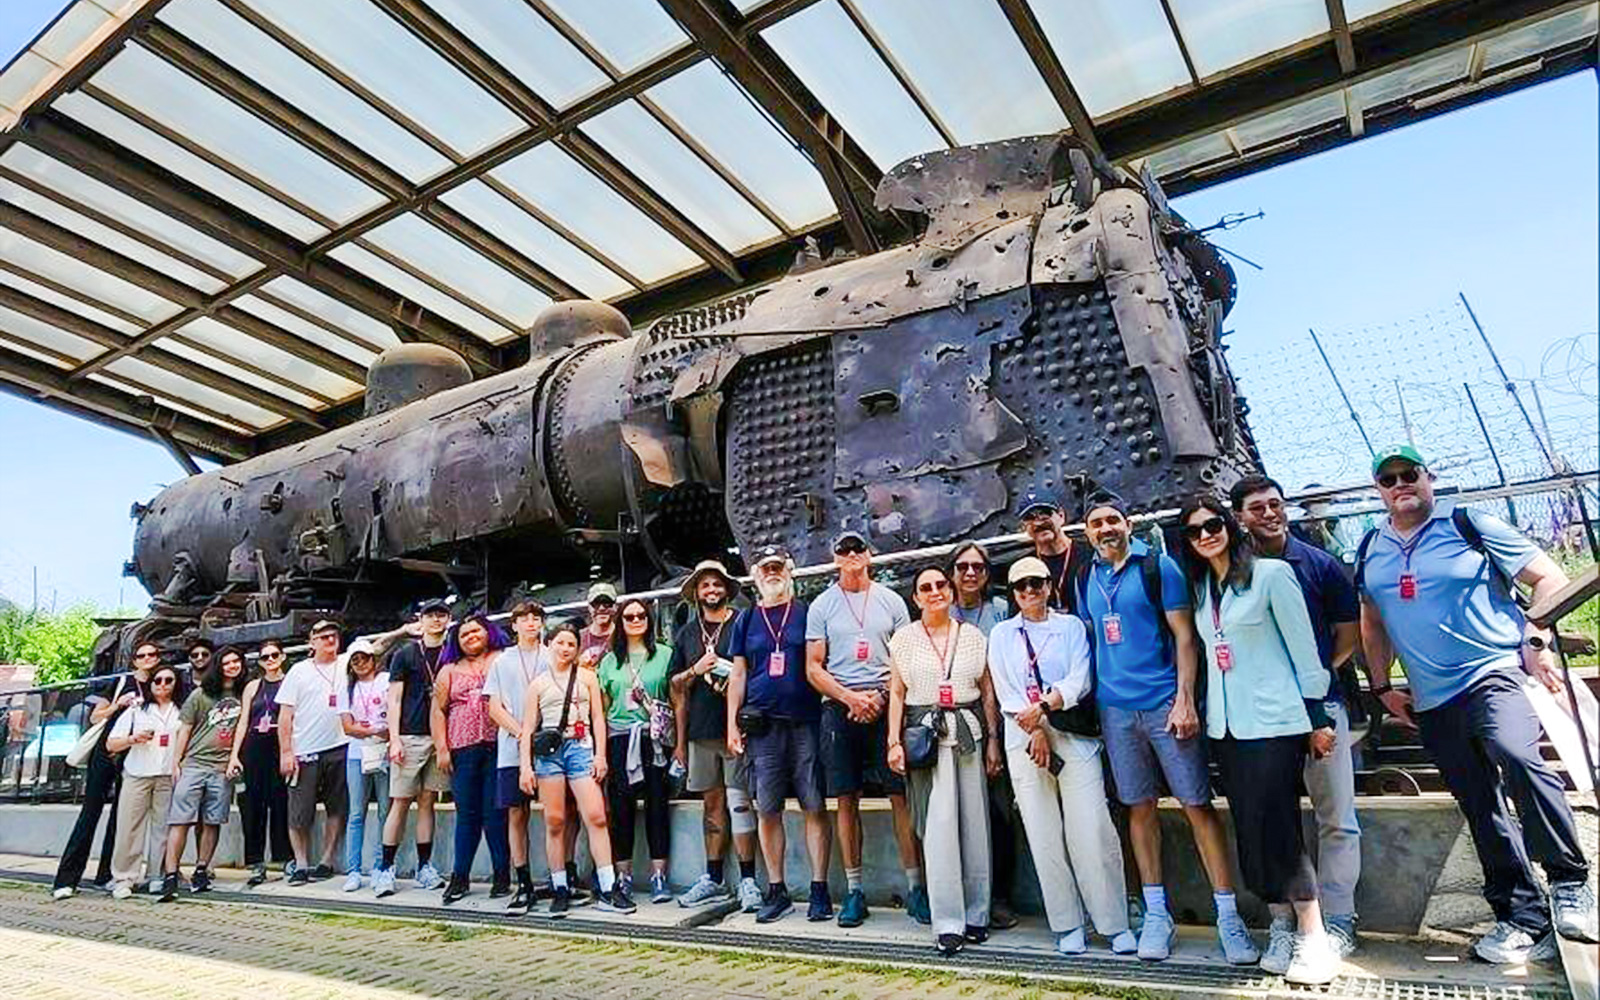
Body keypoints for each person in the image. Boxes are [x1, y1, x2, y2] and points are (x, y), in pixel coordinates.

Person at [1358, 444, 1596, 960]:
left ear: (1428, 477)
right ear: (1378, 490)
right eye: (1388, 479)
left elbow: (1549, 577)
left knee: (1516, 756)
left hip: (1493, 671)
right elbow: (1372, 621)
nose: (1400, 484)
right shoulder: (1371, 546)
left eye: (1409, 474)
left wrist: (1536, 638)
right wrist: (1381, 686)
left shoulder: (1468, 523)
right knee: (1479, 801)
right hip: (1431, 696)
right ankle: (1522, 918)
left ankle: (1569, 881)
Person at [1076, 492, 1257, 964]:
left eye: (1113, 519)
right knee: (1138, 808)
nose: (1106, 529)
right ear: (1087, 532)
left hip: (1163, 704)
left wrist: (1184, 699)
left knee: (1197, 805)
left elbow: (1185, 637)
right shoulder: (1085, 577)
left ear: (1128, 523)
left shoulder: (1159, 567)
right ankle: (1157, 912)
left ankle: (1228, 916)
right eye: (1096, 523)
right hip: (1116, 710)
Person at [1182, 498, 1338, 985]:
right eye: (1194, 531)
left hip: (1274, 721)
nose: (1206, 535)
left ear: (1229, 526)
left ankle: (1313, 933)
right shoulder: (1202, 590)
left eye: (1213, 524)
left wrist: (1316, 716)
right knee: (1249, 828)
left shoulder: (1272, 575)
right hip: (1227, 726)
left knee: (1280, 827)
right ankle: (1280, 924)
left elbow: (1304, 649)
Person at [1231, 475, 1363, 955]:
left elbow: (1348, 633)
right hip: (1264, 715)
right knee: (1272, 817)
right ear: (1240, 517)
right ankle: (1285, 920)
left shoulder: (1320, 565)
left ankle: (1340, 918)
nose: (1269, 514)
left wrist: (1314, 680)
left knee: (1336, 815)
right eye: (1257, 508)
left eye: (1274, 504)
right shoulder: (1233, 573)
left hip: (1319, 707)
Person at [988, 557, 1137, 958]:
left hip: (1071, 733)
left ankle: (1113, 922)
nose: (1029, 591)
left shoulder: (1071, 626)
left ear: (1049, 585)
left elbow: (1080, 678)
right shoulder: (1001, 634)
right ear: (1012, 593)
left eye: (1036, 583)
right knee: (1043, 832)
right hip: (1024, 737)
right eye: (1021, 586)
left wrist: (1045, 709)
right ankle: (1067, 922)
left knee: (1092, 828)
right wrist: (1035, 728)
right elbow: (1005, 689)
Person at [804, 529, 920, 927]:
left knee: (900, 795)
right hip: (840, 707)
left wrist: (883, 697)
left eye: (858, 548)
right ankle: (855, 891)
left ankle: (915, 886)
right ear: (835, 557)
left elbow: (905, 657)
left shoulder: (891, 601)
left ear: (869, 554)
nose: (852, 554)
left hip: (886, 703)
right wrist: (850, 698)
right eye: (844, 549)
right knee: (845, 798)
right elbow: (813, 666)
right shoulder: (821, 605)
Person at [885, 566, 1002, 956]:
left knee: (975, 826)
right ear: (916, 597)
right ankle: (949, 922)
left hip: (969, 733)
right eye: (926, 587)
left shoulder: (973, 637)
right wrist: (893, 742)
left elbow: (987, 691)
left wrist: (993, 741)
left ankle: (977, 915)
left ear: (951, 593)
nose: (934, 591)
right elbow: (897, 693)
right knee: (938, 831)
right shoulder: (903, 639)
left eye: (940, 585)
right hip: (926, 738)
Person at [727, 546, 832, 923]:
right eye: (765, 568)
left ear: (789, 572)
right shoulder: (746, 619)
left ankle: (819, 889)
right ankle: (777, 889)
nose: (772, 573)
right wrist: (731, 724)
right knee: (768, 809)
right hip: (762, 727)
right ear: (756, 575)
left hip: (805, 721)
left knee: (814, 805)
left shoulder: (807, 613)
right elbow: (738, 673)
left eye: (778, 567)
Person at [519, 622, 632, 916]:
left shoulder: (587, 677)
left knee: (596, 816)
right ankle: (559, 887)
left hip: (581, 748)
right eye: (560, 642)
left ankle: (608, 886)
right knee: (555, 820)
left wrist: (600, 755)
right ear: (549, 644)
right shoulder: (538, 684)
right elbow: (528, 727)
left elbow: (598, 718)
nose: (565, 648)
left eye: (571, 643)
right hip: (550, 754)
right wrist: (525, 767)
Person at [669, 560, 762, 912]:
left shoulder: (742, 623)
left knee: (740, 804)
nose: (711, 590)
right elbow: (675, 687)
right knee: (711, 805)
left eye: (717, 584)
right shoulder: (686, 634)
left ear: (727, 589)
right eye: (705, 585)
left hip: (737, 730)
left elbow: (756, 671)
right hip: (701, 730)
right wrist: (695, 670)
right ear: (696, 592)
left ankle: (749, 880)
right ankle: (714, 877)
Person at [50, 641, 157, 900]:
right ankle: (66, 879)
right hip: (107, 751)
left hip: (135, 755)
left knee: (121, 817)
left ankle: (107, 874)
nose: (147, 658)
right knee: (90, 812)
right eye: (142, 655)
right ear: (134, 660)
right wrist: (117, 705)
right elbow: (96, 717)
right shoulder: (122, 682)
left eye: (152, 654)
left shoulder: (159, 685)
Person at [948, 542, 1020, 930]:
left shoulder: (1001, 610)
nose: (970, 573)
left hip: (999, 718)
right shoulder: (942, 612)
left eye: (978, 566)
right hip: (954, 719)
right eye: (963, 566)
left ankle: (1000, 896)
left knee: (998, 811)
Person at [596, 597, 675, 905]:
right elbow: (602, 709)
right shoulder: (609, 661)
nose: (636, 620)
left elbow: (675, 698)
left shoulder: (665, 654)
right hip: (619, 738)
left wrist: (678, 744)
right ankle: (623, 875)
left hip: (653, 737)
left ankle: (659, 875)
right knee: (621, 807)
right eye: (629, 616)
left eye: (641, 615)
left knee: (658, 804)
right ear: (620, 622)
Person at [431, 612, 513, 904]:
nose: (470, 637)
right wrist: (442, 748)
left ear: (488, 632)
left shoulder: (503, 659)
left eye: (476, 631)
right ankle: (459, 877)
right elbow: (438, 710)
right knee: (467, 815)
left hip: (498, 746)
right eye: (464, 634)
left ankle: (502, 875)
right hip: (462, 749)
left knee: (496, 814)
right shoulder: (448, 670)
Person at [376, 598, 453, 896]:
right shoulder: (405, 653)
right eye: (430, 615)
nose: (436, 620)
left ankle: (425, 866)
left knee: (427, 801)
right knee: (400, 801)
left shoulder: (452, 650)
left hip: (440, 736)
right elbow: (394, 699)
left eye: (441, 615)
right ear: (421, 620)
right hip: (410, 735)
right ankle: (385, 867)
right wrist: (394, 738)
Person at [158, 645, 246, 902]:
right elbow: (185, 729)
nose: (232, 666)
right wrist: (176, 762)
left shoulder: (244, 693)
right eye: (227, 662)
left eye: (236, 661)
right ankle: (171, 874)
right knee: (180, 820)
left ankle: (202, 868)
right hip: (195, 764)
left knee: (212, 821)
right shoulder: (200, 694)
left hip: (222, 767)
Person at [484, 599, 549, 910]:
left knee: (558, 811)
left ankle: (562, 874)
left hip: (549, 745)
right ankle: (523, 880)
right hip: (512, 745)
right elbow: (493, 707)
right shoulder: (501, 661)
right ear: (514, 625)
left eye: (536, 618)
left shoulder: (552, 655)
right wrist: (522, 733)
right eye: (525, 618)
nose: (531, 623)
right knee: (516, 811)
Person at [276, 619, 352, 885]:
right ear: (312, 642)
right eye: (323, 636)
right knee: (299, 810)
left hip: (339, 746)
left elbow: (377, 646)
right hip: (305, 749)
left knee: (337, 806)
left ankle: (326, 860)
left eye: (333, 635)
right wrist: (286, 751)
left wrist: (404, 630)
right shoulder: (298, 671)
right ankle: (301, 862)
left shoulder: (346, 662)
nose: (330, 640)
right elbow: (285, 715)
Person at [105, 663, 182, 899]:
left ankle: (156, 875)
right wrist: (132, 739)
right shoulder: (137, 710)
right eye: (158, 680)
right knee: (129, 828)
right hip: (137, 773)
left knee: (162, 828)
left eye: (168, 680)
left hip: (166, 776)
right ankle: (124, 877)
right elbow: (111, 743)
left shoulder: (180, 711)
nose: (162, 685)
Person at [227, 640, 292, 886]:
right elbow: (243, 721)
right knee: (252, 805)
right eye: (265, 657)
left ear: (283, 656)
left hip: (280, 746)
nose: (270, 660)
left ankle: (285, 857)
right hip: (253, 748)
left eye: (274, 655)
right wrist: (235, 755)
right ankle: (255, 862)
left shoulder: (290, 682)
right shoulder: (253, 686)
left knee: (281, 802)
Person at [339, 639, 389, 892]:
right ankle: (354, 870)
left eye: (365, 658)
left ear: (373, 659)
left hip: (384, 752)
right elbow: (347, 727)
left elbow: (394, 716)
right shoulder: (347, 688)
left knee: (385, 811)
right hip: (358, 754)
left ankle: (381, 866)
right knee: (356, 813)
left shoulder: (386, 680)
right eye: (355, 660)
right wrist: (373, 731)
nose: (360, 663)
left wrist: (374, 731)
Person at [1019, 494, 1085, 613]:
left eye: (1045, 514)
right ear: (1024, 527)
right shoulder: (1023, 567)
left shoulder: (1089, 555)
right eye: (1030, 518)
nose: (1038, 523)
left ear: (1061, 516)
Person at [579, 583, 618, 668]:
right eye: (596, 604)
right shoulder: (578, 638)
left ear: (615, 607)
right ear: (589, 607)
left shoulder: (622, 635)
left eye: (607, 603)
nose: (601, 608)